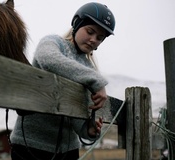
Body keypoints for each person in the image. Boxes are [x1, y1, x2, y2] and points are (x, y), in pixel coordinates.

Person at [10, 2, 115, 160]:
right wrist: (97, 80)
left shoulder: (89, 69)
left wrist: (88, 130)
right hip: (30, 144)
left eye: (100, 38)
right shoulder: (53, 43)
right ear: (77, 23)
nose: (94, 39)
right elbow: (49, 59)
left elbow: (78, 112)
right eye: (90, 31)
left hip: (67, 151)